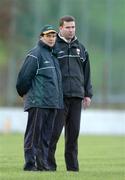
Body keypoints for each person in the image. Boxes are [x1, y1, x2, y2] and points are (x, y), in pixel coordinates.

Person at [48, 16, 93, 172]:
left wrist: (88, 94)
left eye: (73, 27)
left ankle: (72, 169)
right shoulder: (53, 48)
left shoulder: (81, 48)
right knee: (54, 133)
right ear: (60, 28)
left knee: (73, 135)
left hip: (76, 97)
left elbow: (87, 73)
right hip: (58, 98)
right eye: (67, 27)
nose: (71, 30)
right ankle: (49, 165)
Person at [16, 25, 63, 171]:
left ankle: (43, 165)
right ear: (41, 37)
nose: (51, 38)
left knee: (46, 138)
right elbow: (23, 79)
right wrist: (24, 94)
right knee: (34, 136)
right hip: (38, 102)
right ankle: (30, 165)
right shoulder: (35, 54)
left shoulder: (52, 55)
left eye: (54, 36)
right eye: (48, 35)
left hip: (52, 103)